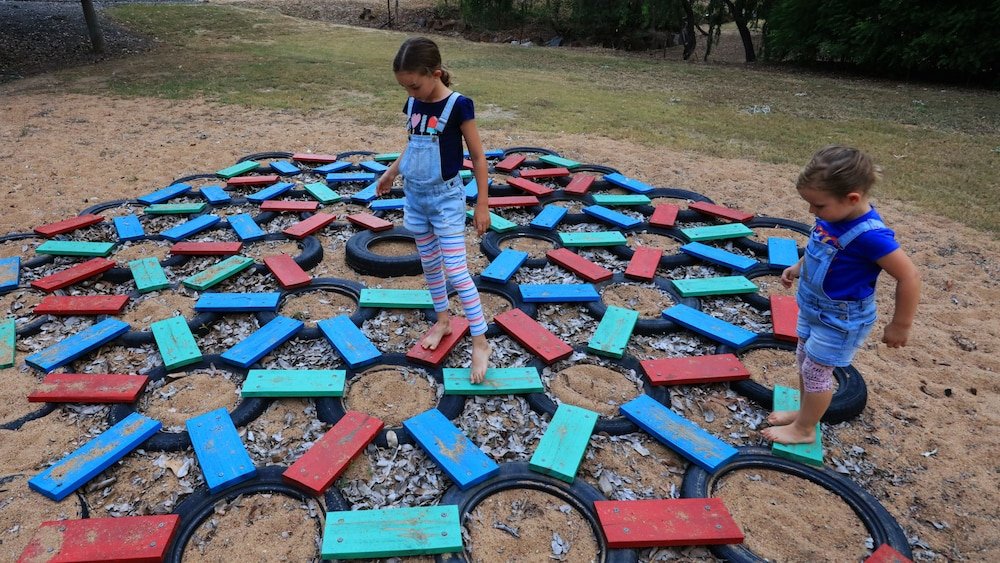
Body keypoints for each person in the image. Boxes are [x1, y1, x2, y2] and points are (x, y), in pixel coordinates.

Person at [762, 145, 921, 445]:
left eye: (818, 206)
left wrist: (901, 324)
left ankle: (805, 429)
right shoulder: (833, 217)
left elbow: (909, 276)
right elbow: (817, 249)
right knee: (804, 360)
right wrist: (797, 267)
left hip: (841, 319)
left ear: (852, 198)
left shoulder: (871, 236)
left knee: (816, 371)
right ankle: (802, 414)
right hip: (813, 307)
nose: (812, 212)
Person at [376, 37, 492, 383]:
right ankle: (443, 321)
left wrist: (482, 204)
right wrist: (391, 171)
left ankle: (481, 340)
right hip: (415, 197)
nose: (410, 92)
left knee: (456, 271)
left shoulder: (458, 106)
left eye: (414, 85)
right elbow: (412, 145)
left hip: (445, 200)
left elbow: (479, 157)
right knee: (430, 265)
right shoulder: (413, 104)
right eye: (404, 87)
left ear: (435, 73)